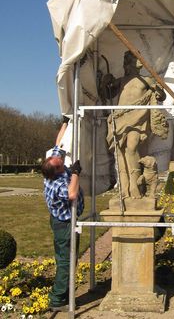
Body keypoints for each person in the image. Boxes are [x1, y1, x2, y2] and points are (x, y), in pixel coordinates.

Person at [102, 51, 168, 199]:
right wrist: (105, 82)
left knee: (132, 147)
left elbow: (162, 95)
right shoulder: (121, 81)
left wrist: (158, 90)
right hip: (120, 118)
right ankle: (124, 188)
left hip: (137, 120)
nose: (140, 60)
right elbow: (107, 95)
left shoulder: (147, 80)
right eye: (136, 58)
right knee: (120, 152)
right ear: (130, 62)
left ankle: (135, 185)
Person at [41, 116, 84, 312]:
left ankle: (63, 293)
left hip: (61, 222)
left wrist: (65, 123)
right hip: (64, 224)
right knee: (66, 261)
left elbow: (58, 143)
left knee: (65, 258)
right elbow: (72, 194)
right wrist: (75, 172)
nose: (63, 162)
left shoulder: (53, 164)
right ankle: (57, 299)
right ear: (56, 170)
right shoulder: (56, 184)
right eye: (62, 164)